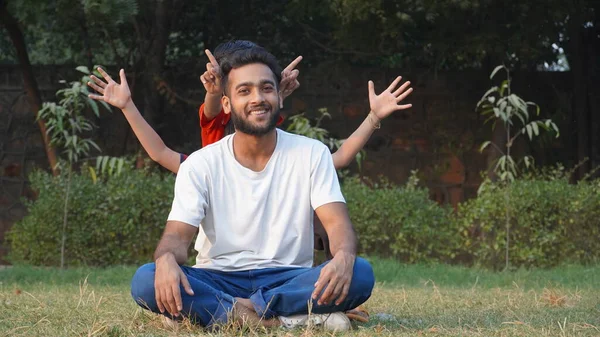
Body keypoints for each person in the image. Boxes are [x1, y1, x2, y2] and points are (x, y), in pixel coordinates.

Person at [86, 46, 410, 331]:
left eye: (266, 88)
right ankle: (284, 319)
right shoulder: (200, 164)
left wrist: (343, 256)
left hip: (287, 277)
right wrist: (167, 260)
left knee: (360, 273)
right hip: (218, 276)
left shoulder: (311, 154)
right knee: (146, 279)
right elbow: (175, 238)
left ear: (280, 96)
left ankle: (226, 313)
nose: (257, 97)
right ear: (226, 103)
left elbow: (337, 224)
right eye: (245, 91)